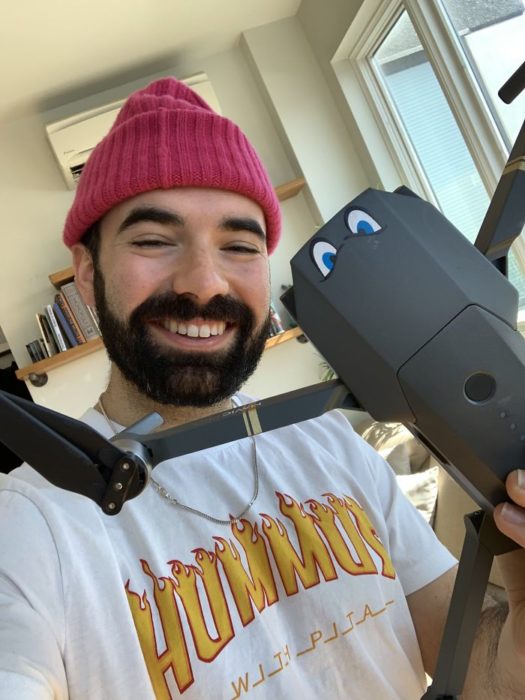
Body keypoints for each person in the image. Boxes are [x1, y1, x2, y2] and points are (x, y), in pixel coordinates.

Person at [0, 77, 524, 700]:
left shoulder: (327, 438)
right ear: (87, 276)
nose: (202, 281)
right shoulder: (30, 521)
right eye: (153, 240)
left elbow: (476, 676)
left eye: (239, 245)